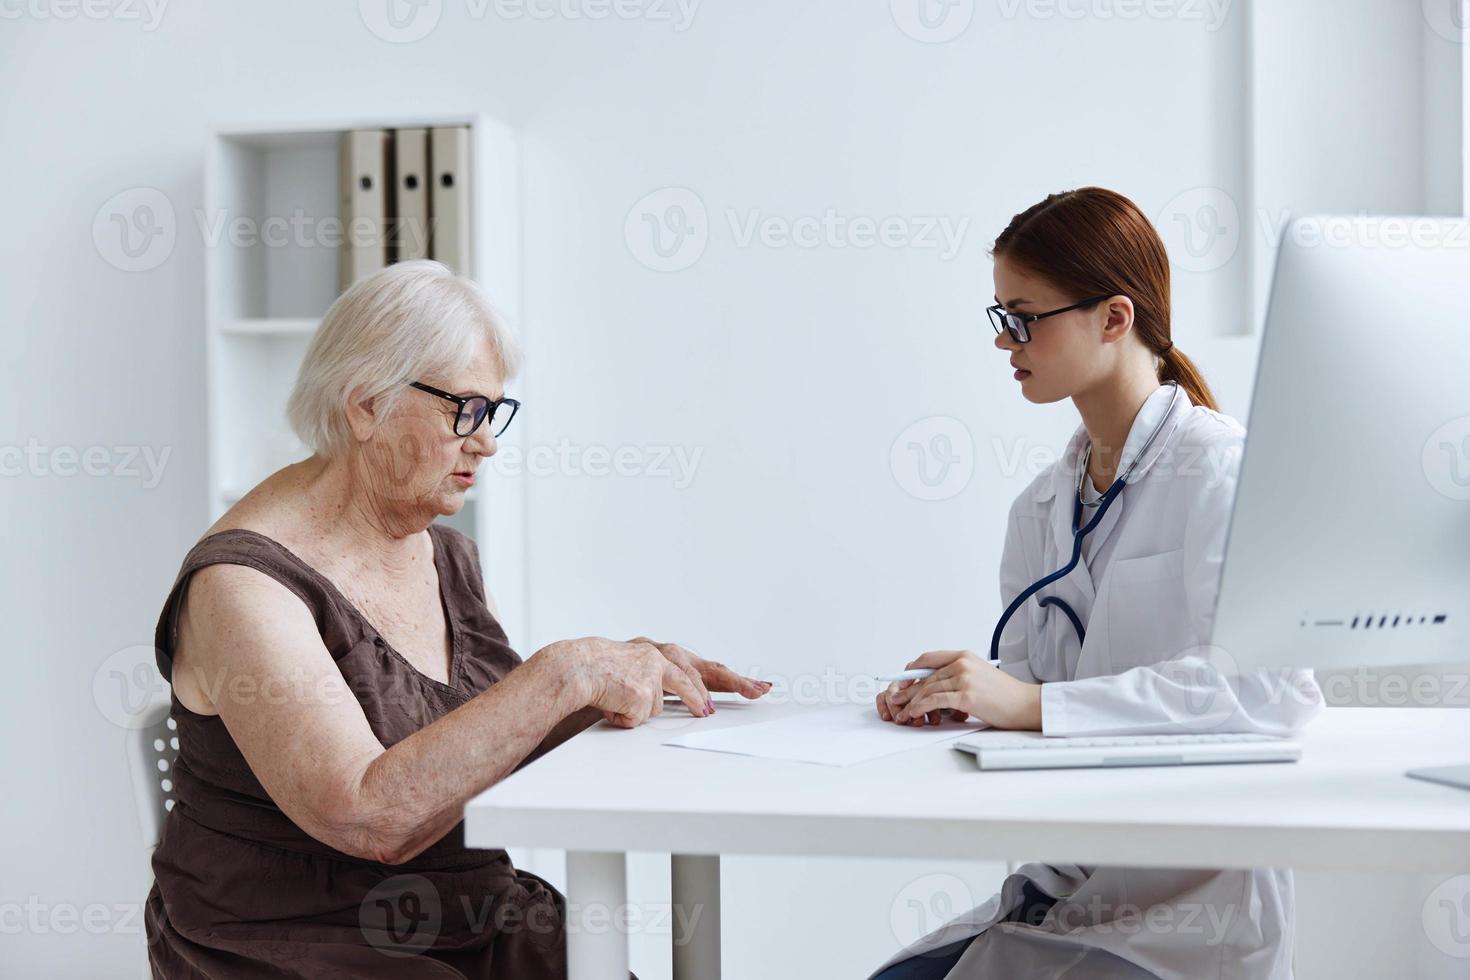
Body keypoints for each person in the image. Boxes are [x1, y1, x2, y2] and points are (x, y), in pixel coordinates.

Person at [144, 260, 771, 978]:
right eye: (464, 409)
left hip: (463, 915)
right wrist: (563, 672)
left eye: (495, 412)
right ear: (366, 406)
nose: (488, 441)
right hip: (302, 942)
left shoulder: (445, 555)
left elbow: (478, 744)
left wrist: (620, 673)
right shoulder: (242, 585)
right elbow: (368, 816)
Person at [868, 188, 1324, 979]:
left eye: (1025, 317)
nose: (1007, 342)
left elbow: (1268, 691)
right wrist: (972, 694)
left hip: (1190, 914)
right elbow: (1046, 690)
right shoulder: (1041, 505)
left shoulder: (1222, 470)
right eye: (1000, 318)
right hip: (1063, 885)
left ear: (1114, 318)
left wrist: (1029, 704)